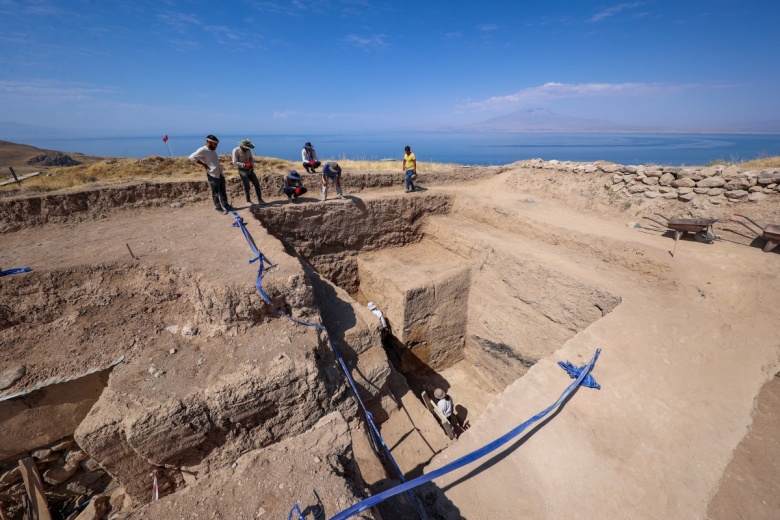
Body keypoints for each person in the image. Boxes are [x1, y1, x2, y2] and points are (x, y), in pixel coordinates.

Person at [189, 135, 232, 214]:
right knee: (215, 192)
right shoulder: (202, 150)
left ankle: (226, 205)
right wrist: (204, 165)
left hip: (219, 173)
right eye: (215, 144)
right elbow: (192, 157)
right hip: (212, 174)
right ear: (209, 142)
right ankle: (218, 208)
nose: (216, 145)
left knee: (223, 191)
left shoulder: (212, 149)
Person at [231, 138, 265, 206]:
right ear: (242, 146)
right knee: (247, 186)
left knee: (256, 184)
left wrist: (252, 164)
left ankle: (260, 199)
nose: (248, 149)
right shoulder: (236, 151)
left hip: (250, 169)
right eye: (247, 147)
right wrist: (244, 164)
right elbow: (234, 162)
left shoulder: (248, 150)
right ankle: (248, 201)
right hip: (242, 170)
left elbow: (251, 158)